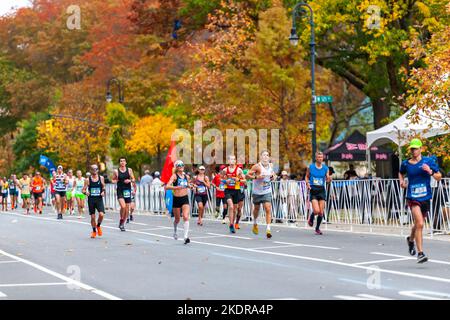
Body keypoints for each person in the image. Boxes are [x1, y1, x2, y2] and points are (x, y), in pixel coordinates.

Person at [399, 138, 441, 263]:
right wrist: (401, 181)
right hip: (412, 197)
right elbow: (400, 172)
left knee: (418, 224)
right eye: (412, 149)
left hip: (425, 197)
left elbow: (439, 177)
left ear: (421, 149)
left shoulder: (428, 161)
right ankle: (421, 253)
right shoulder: (406, 163)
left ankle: (410, 240)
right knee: (421, 224)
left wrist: (430, 171)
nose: (413, 151)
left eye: (416, 148)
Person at [246, 151, 277, 239]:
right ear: (260, 157)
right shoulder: (257, 166)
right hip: (257, 192)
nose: (266, 157)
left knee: (268, 208)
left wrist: (273, 177)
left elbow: (274, 175)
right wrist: (256, 177)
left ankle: (268, 229)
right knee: (256, 209)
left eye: (267, 155)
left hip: (267, 191)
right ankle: (255, 223)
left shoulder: (271, 165)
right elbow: (247, 176)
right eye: (264, 155)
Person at [165, 160, 192, 244]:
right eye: (179, 165)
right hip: (176, 199)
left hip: (185, 198)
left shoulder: (187, 176)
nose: (181, 166)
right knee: (177, 219)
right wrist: (176, 187)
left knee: (185, 216)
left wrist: (191, 186)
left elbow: (188, 185)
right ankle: (175, 231)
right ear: (176, 167)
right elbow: (167, 186)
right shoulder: (174, 176)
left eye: (182, 165)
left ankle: (185, 237)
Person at [305, 151, 331, 235]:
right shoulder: (311, 167)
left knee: (321, 212)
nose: (320, 158)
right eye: (319, 157)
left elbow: (327, 178)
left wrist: (329, 179)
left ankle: (317, 228)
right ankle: (311, 218)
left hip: (321, 190)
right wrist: (307, 183)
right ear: (316, 158)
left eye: (321, 157)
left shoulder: (325, 168)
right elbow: (306, 176)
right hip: (313, 190)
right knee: (316, 210)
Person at [221, 155, 246, 233]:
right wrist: (225, 181)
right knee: (231, 206)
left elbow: (244, 180)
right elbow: (220, 178)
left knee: (235, 209)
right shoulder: (225, 170)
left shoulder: (239, 170)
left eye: (233, 159)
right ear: (228, 161)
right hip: (228, 190)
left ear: (235, 161)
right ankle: (231, 224)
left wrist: (238, 179)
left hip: (236, 190)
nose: (232, 161)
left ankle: (232, 223)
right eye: (230, 159)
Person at [112, 157, 137, 231]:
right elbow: (113, 180)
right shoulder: (116, 171)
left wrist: (129, 180)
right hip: (120, 190)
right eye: (121, 161)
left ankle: (122, 223)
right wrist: (115, 181)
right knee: (123, 206)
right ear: (119, 163)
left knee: (127, 208)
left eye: (123, 161)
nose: (122, 162)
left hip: (127, 190)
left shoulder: (129, 170)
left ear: (126, 162)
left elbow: (133, 179)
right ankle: (121, 219)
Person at [83, 164, 106, 239]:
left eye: (96, 169)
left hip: (99, 199)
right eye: (93, 169)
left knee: (101, 214)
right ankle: (94, 231)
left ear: (98, 170)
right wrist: (86, 192)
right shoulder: (87, 180)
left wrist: (103, 192)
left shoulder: (101, 178)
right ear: (91, 170)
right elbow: (83, 189)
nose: (94, 170)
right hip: (91, 200)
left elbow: (104, 187)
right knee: (93, 217)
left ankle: (98, 226)